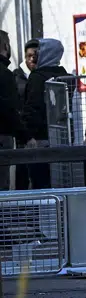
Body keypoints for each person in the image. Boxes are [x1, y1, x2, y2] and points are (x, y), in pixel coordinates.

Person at [19, 38, 68, 190]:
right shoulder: (64, 76)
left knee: (40, 183)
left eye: (40, 50)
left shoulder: (37, 77)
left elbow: (32, 108)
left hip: (39, 138)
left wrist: (27, 135)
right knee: (60, 182)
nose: (36, 54)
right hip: (61, 136)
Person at [0, 30, 25, 190]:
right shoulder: (5, 74)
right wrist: (25, 136)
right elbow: (10, 109)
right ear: (5, 46)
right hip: (3, 135)